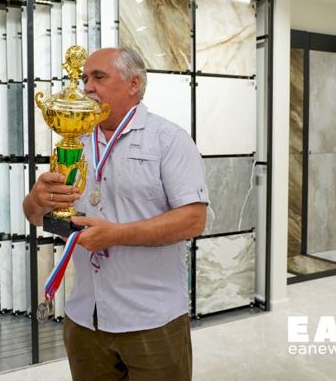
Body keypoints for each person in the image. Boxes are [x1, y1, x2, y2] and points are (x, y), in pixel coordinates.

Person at [23, 47, 208, 380]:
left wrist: (116, 235)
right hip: (85, 317)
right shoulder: (74, 141)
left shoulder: (168, 139)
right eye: (84, 78)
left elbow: (193, 219)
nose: (87, 87)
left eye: (99, 77)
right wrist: (37, 201)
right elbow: (38, 216)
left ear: (134, 83)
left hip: (152, 319)